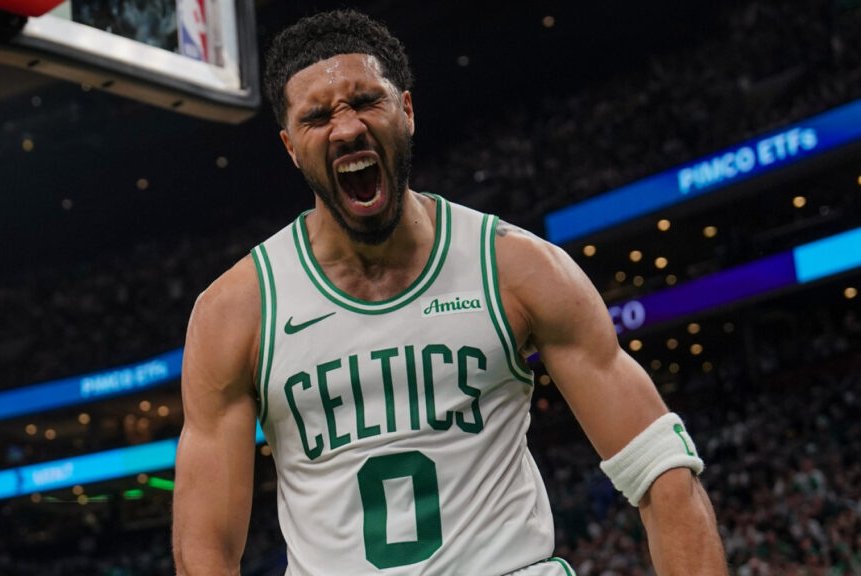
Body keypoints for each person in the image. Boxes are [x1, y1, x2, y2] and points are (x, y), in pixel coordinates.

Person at [172, 9, 727, 576]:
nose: (347, 128)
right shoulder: (236, 311)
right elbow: (205, 549)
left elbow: (661, 469)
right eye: (317, 116)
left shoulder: (517, 267)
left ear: (407, 111)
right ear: (291, 147)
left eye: (366, 101)